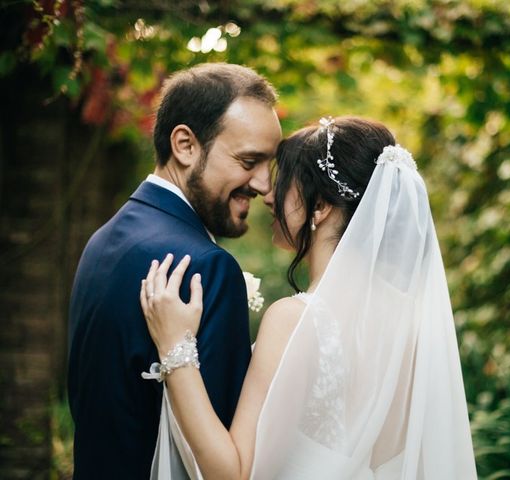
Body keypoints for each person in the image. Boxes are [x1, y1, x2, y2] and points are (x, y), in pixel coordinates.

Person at [141, 116, 477, 479]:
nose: (268, 195)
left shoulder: (296, 320)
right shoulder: (415, 323)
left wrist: (176, 349)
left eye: (283, 181)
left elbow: (233, 473)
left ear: (320, 206)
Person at [67, 63, 282, 478]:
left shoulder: (103, 241)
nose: (262, 185)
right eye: (249, 160)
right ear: (185, 145)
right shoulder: (205, 268)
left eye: (267, 164)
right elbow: (218, 456)